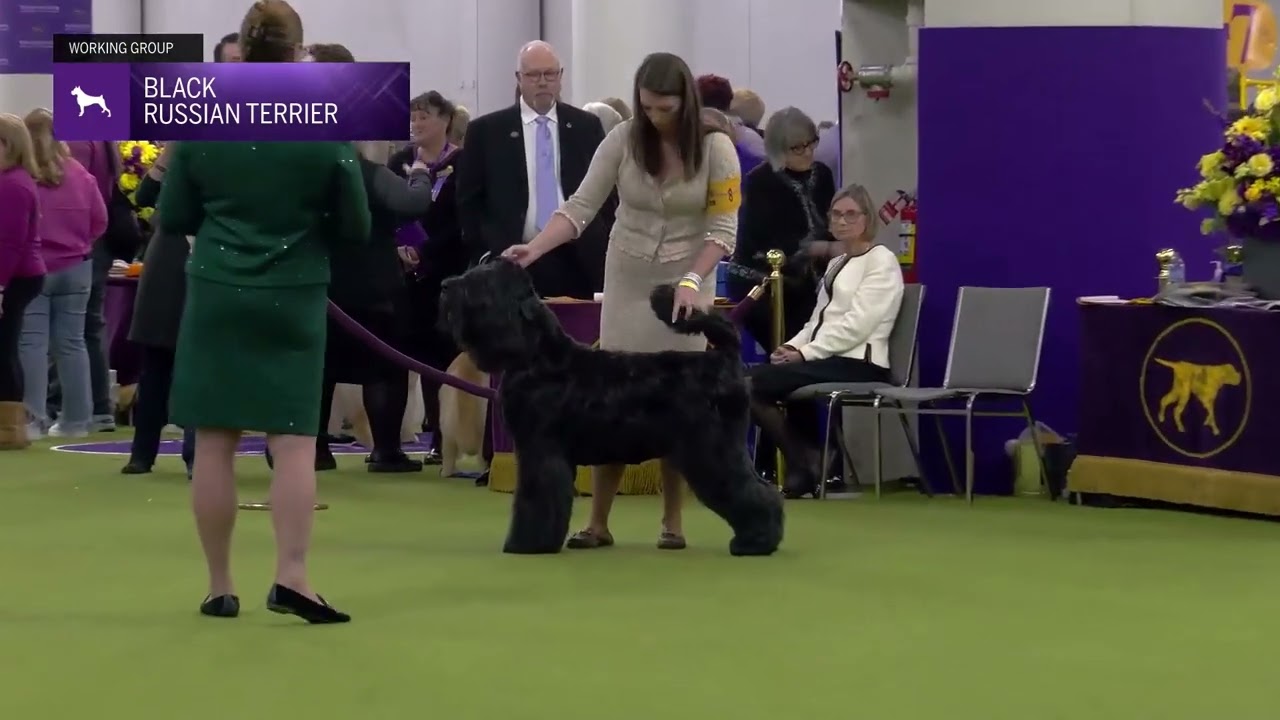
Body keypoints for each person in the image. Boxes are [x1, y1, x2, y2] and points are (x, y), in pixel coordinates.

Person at [157, 0, 369, 624]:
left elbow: (172, 216)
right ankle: (292, 576)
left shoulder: (199, 118)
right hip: (294, 292)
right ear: (298, 53)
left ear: (242, 51)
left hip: (216, 291)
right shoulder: (324, 121)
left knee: (214, 440)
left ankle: (219, 585)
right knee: (295, 441)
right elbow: (356, 224)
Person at [503, 52, 741, 550]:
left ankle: (673, 521)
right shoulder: (621, 139)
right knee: (607, 403)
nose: (654, 118)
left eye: (665, 109)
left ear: (686, 102)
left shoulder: (718, 149)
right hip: (628, 279)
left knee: (679, 407)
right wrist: (535, 248)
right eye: (647, 107)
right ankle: (598, 522)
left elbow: (723, 230)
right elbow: (580, 207)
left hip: (687, 278)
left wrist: (692, 280)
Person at [310, 43, 432, 473]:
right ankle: (386, 450)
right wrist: (421, 174)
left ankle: (315, 449)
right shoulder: (361, 166)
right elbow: (412, 204)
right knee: (385, 366)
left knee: (319, 369)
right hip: (374, 282)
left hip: (321, 281)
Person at [746, 184, 904, 499]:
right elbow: (816, 322)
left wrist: (804, 353)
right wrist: (793, 346)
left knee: (750, 385)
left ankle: (805, 461)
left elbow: (857, 326)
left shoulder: (881, 260)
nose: (842, 221)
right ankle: (806, 459)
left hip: (861, 363)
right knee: (741, 383)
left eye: (851, 214)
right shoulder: (836, 263)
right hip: (828, 358)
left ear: (867, 218)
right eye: (836, 214)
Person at [456, 40, 614, 298]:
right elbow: (468, 202)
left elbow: (606, 194)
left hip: (580, 259)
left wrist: (601, 239)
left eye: (550, 74)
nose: (542, 82)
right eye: (533, 75)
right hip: (512, 259)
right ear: (518, 78)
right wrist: (487, 251)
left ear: (560, 76)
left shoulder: (586, 126)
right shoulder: (487, 131)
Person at [18, 109, 107, 440]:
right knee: (73, 343)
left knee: (32, 343)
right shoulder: (82, 175)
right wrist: (80, 244)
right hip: (77, 266)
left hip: (35, 267)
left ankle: (34, 420)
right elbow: (100, 221)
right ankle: (77, 420)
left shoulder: (21, 177)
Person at [389, 91, 467, 461]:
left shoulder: (462, 163)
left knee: (443, 358)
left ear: (445, 120)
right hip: (405, 276)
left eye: (425, 117)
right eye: (413, 117)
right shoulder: (400, 162)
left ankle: (442, 436)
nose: (417, 124)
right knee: (400, 355)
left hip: (446, 273)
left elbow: (461, 220)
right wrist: (399, 247)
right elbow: (388, 208)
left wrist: (427, 251)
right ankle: (389, 442)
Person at [120, 143, 197, 476]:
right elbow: (143, 196)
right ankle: (144, 453)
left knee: (193, 364)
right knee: (157, 363)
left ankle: (192, 455)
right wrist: (166, 159)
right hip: (171, 262)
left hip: (200, 259)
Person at [0, 114, 46, 450]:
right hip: (17, 275)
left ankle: (10, 427)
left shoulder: (12, 185)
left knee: (4, 349)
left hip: (15, 277)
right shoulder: (13, 180)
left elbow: (8, 244)